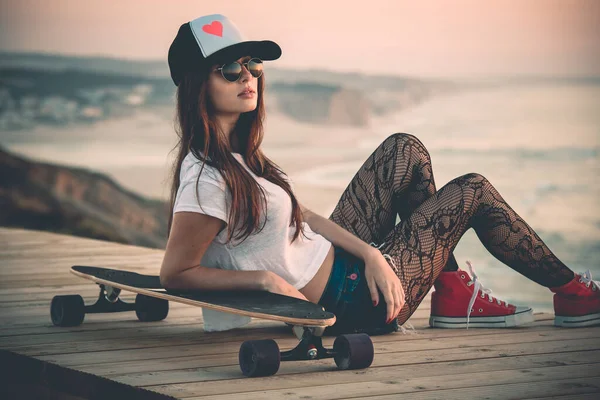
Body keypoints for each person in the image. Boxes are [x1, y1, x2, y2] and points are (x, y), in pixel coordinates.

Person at [159, 14, 600, 334]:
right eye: (230, 68)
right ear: (199, 84)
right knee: (473, 191)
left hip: (345, 265)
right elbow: (176, 273)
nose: (249, 76)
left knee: (402, 150)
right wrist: (265, 281)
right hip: (350, 303)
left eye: (253, 64)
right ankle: (573, 292)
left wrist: (372, 255)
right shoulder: (206, 178)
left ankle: (450, 292)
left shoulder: (241, 158)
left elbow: (304, 216)